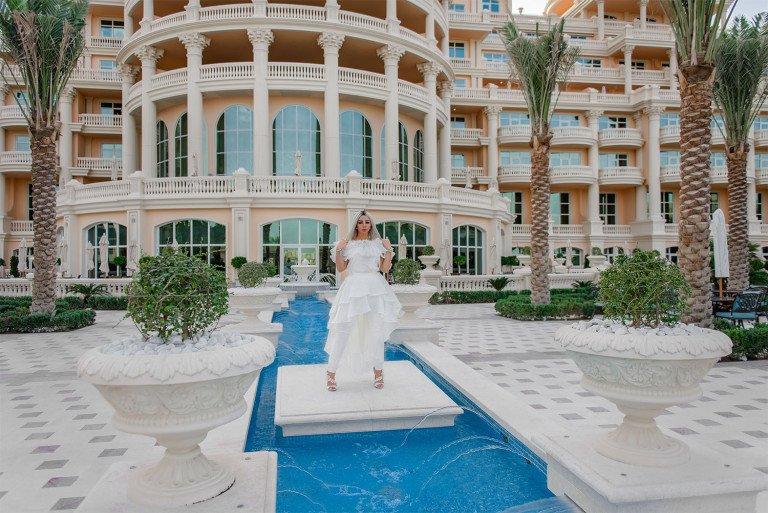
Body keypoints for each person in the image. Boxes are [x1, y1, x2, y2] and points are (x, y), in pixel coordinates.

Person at [325, 210, 402, 391]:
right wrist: (339, 250)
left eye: (367, 222)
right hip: (353, 287)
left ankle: (378, 373)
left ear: (371, 225)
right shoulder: (347, 244)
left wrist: (389, 250)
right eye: (361, 222)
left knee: (376, 332)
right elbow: (341, 268)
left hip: (375, 288)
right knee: (343, 330)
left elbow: (384, 268)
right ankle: (331, 373)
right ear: (356, 225)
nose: (365, 225)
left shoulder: (378, 245)